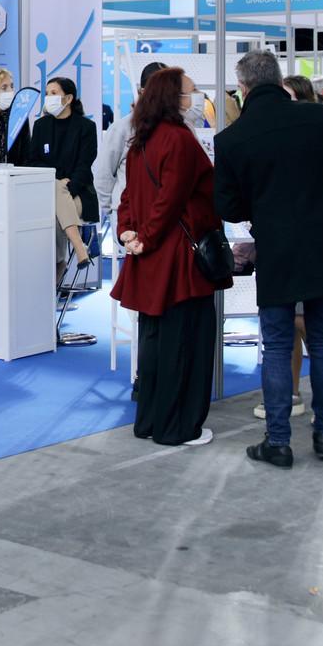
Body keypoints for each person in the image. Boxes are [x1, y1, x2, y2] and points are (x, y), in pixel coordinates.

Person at [215, 52, 323, 468]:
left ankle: (278, 440)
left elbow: (226, 204)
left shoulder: (232, 138)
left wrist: (261, 213)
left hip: (277, 249)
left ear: (242, 87)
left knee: (278, 346)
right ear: (280, 80)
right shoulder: (319, 119)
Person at [115, 67, 229, 447]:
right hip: (179, 261)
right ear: (174, 98)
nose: (197, 97)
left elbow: (129, 196)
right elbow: (172, 198)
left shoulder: (141, 139)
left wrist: (129, 233)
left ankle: (149, 421)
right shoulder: (179, 140)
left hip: (149, 259)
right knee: (187, 345)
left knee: (154, 342)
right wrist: (143, 235)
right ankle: (177, 427)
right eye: (192, 91)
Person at [22, 77, 99, 274]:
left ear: (68, 98)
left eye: (54, 93)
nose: (48, 98)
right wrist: (57, 182)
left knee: (55, 213)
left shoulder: (86, 128)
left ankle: (59, 266)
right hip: (49, 191)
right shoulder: (41, 126)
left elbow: (84, 165)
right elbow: (33, 161)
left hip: (79, 193)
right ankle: (79, 249)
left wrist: (66, 186)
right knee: (56, 189)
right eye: (47, 94)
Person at [95, 61, 167, 211]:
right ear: (142, 91)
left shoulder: (180, 128)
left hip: (165, 213)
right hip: (129, 214)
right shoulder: (122, 128)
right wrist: (113, 209)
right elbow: (103, 172)